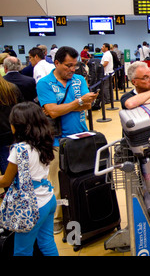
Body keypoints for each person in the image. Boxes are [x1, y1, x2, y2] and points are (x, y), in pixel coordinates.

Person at [36, 46, 99, 234]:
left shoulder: (79, 80)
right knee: (57, 182)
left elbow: (87, 105)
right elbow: (53, 111)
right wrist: (77, 103)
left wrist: (64, 107)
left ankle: (82, 213)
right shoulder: (45, 84)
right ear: (56, 63)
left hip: (81, 135)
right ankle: (58, 218)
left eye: (75, 65)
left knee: (85, 177)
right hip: (57, 141)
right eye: (68, 66)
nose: (72, 69)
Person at [0, 101, 58, 256]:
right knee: (47, 243)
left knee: (22, 250)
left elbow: (6, 180)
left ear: (18, 125)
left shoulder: (18, 150)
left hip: (30, 207)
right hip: (47, 198)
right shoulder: (43, 143)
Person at [0, 74, 23, 179]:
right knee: (13, 172)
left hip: (3, 135)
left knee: (7, 175)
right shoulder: (11, 88)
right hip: (14, 133)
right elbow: (22, 109)